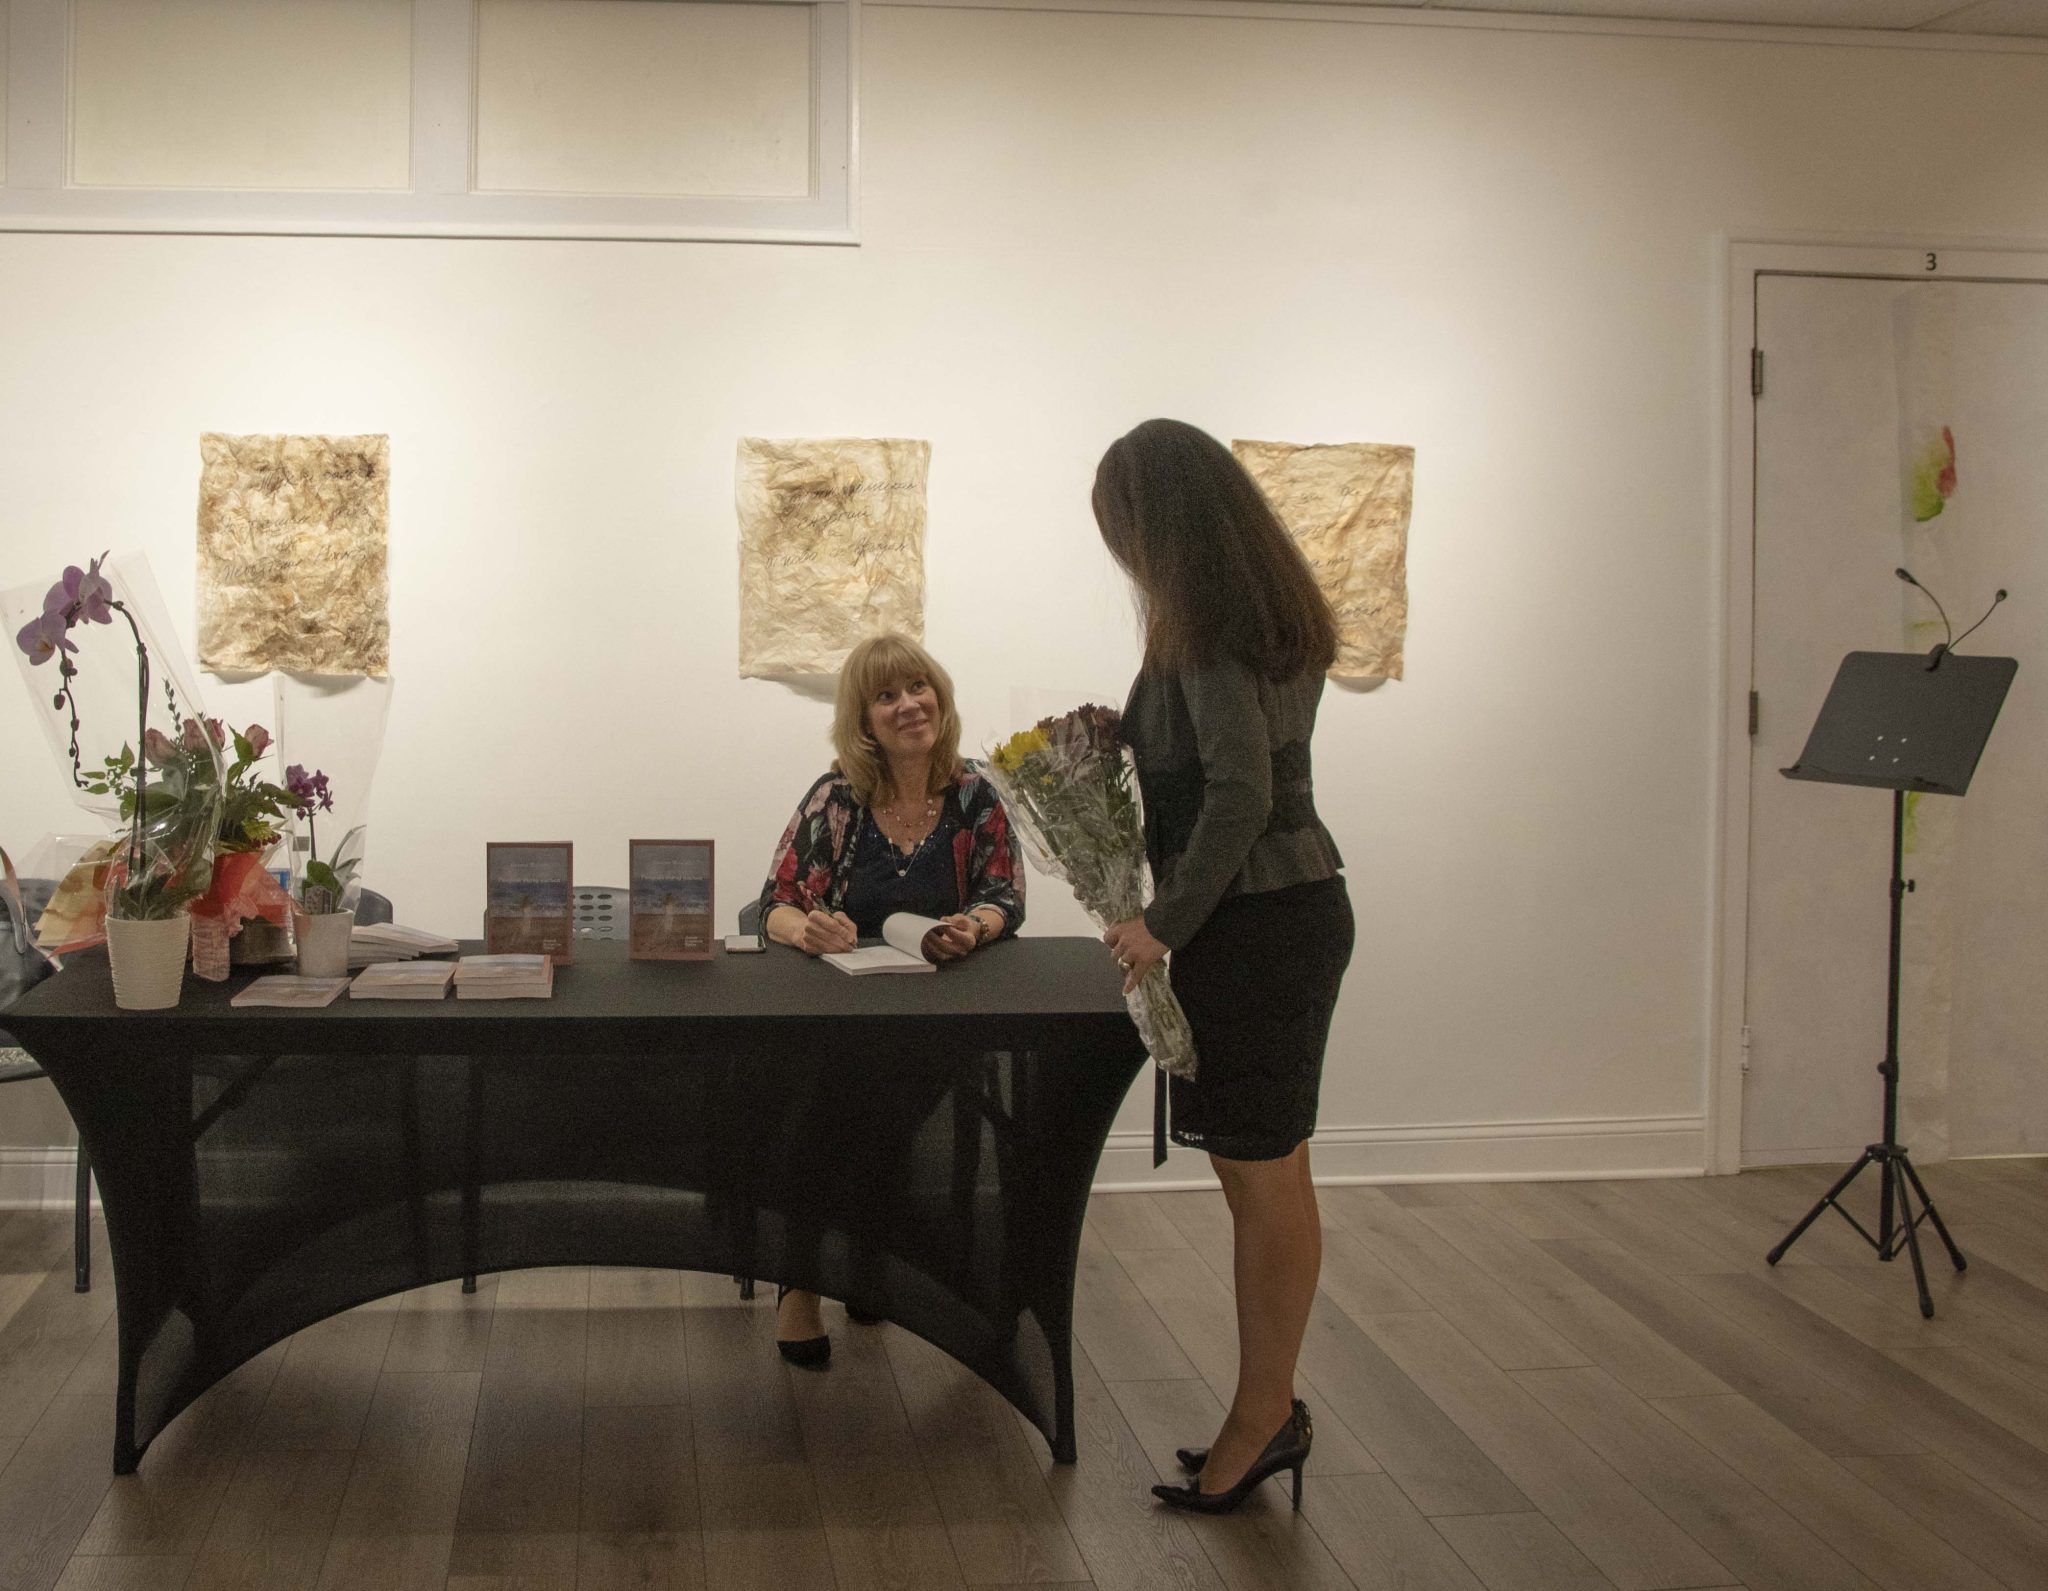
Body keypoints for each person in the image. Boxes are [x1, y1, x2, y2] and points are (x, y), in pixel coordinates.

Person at [1093, 419, 1354, 1514]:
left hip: (1252, 926)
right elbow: (1224, 764)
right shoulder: (1266, 614)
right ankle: (1266, 1406)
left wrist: (1161, 922)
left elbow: (1240, 795)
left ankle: (1264, 1415)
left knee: (1261, 1179)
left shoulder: (1205, 632)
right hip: (1291, 910)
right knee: (1274, 1171)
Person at [755, 632, 1025, 1366]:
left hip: (937, 1014)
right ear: (864, 720)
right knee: (839, 1099)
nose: (908, 705)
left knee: (881, 1098)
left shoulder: (974, 794)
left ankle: (864, 1258)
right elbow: (775, 901)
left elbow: (1005, 893)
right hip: (842, 1012)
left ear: (938, 695)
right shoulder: (837, 795)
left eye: (917, 687)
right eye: (885, 696)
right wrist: (808, 928)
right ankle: (803, 1283)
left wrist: (972, 925)